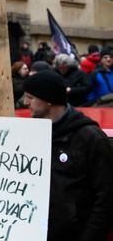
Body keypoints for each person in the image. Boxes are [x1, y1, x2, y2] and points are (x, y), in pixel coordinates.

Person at [22, 71, 113, 240]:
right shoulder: (32, 134)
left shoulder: (91, 138)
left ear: (48, 99)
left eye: (30, 97)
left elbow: (106, 197)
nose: (25, 102)